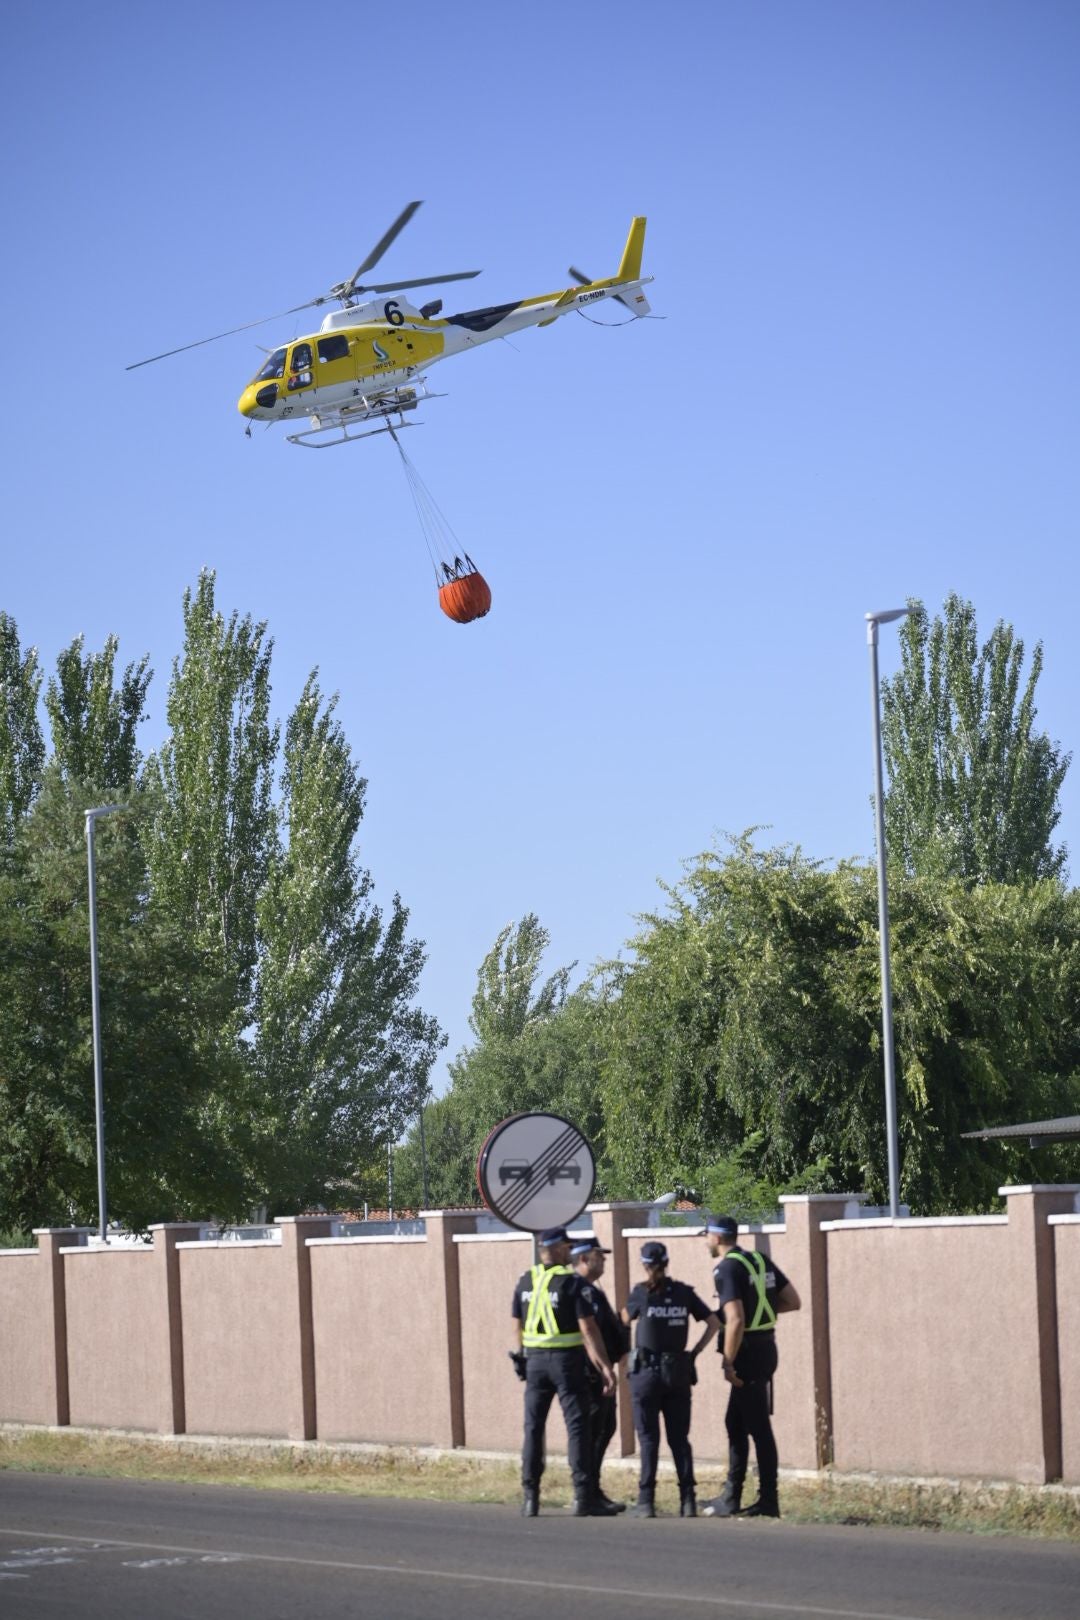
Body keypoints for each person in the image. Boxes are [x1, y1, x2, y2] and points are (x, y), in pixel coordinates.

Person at [511, 1226, 618, 1517]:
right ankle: (583, 1497)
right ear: (557, 1249)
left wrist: (521, 1354)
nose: (571, 1251)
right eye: (568, 1246)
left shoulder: (525, 1280)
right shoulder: (572, 1283)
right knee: (578, 1427)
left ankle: (530, 1497)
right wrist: (605, 1366)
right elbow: (588, 1329)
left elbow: (517, 1323)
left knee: (533, 1429)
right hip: (566, 1364)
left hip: (534, 1364)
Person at [701, 1214, 801, 1519]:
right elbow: (791, 1300)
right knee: (735, 1423)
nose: (706, 1241)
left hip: (747, 1353)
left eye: (707, 1236)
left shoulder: (726, 1267)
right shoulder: (759, 1260)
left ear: (717, 1238)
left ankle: (767, 1500)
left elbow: (735, 1319)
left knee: (758, 1428)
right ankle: (732, 1495)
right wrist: (763, 1312)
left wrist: (728, 1362)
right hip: (766, 1346)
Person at [621, 1240, 720, 1518]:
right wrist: (694, 1353)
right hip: (677, 1371)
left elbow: (624, 1320)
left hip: (647, 1375)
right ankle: (688, 1501)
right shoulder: (683, 1293)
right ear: (666, 1263)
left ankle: (646, 1502)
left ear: (644, 1265)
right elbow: (714, 1323)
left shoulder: (641, 1293)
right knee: (679, 1439)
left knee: (649, 1439)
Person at [570, 1233, 629, 1512]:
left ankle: (593, 1488)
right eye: (598, 1255)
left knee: (605, 1428)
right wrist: (604, 1368)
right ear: (583, 1258)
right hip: (590, 1373)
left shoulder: (592, 1289)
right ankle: (586, 1492)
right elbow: (587, 1334)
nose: (604, 1260)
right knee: (593, 1430)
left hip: (600, 1372)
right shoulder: (578, 1289)